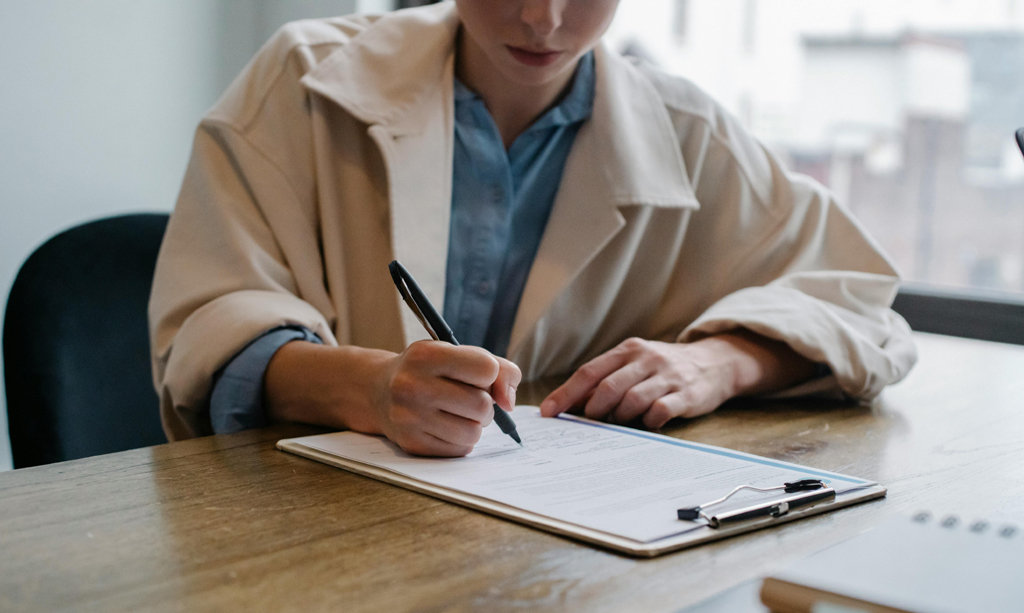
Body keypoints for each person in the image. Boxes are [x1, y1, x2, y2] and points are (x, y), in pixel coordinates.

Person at [149, 0, 917, 457]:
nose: (543, 20)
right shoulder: (302, 79)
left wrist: (720, 362)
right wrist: (371, 390)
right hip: (314, 540)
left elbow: (863, 307)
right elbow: (211, 327)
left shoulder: (691, 136)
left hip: (568, 554)